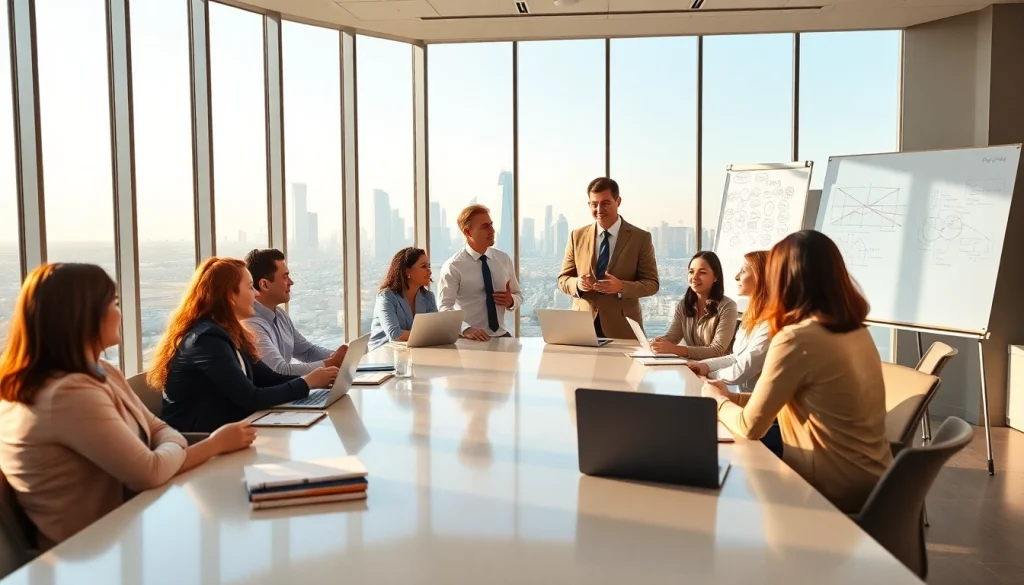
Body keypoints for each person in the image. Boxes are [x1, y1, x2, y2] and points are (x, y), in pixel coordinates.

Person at [0, 263, 256, 549]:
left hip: (128, 527)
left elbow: (159, 428)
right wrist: (214, 444)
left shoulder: (103, 371)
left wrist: (166, 446)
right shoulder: (66, 394)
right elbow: (149, 471)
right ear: (84, 315)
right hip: (92, 551)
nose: (119, 313)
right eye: (115, 303)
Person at [702, 230, 892, 513]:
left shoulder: (796, 338)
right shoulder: (855, 330)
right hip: (877, 484)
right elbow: (805, 398)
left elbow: (750, 428)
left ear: (782, 280)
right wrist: (732, 397)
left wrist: (718, 402)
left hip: (827, 491)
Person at [148, 258, 337, 433]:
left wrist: (316, 379)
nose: (256, 294)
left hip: (228, 432)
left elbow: (271, 378)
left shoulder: (232, 333)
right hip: (199, 442)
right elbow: (251, 398)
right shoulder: (206, 338)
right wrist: (308, 382)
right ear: (230, 295)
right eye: (249, 287)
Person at [557, 177, 659, 339]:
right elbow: (563, 280)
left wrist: (621, 287)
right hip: (582, 327)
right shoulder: (577, 236)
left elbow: (652, 284)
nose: (599, 209)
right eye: (594, 204)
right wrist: (578, 283)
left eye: (605, 203)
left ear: (618, 201)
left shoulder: (640, 238)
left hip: (623, 328)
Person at [244, 248, 348, 375]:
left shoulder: (280, 315)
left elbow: (307, 351)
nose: (291, 282)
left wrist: (337, 356)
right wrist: (331, 363)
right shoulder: (251, 324)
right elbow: (279, 371)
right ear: (264, 285)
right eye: (285, 277)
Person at [688, 251, 770, 390]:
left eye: (743, 271)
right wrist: (703, 366)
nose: (736, 277)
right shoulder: (751, 316)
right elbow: (735, 357)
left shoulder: (772, 323)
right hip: (744, 398)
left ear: (761, 277)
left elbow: (742, 370)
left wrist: (708, 375)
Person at [438, 204, 523, 340]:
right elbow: (444, 308)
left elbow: (518, 295)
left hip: (502, 336)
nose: (492, 230)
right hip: (470, 340)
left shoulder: (503, 259)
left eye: (491, 224)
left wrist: (511, 301)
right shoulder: (453, 266)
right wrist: (465, 329)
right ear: (467, 232)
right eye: (485, 226)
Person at [651, 251, 737, 359]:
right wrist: (658, 343)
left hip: (715, 370)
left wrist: (675, 349)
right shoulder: (684, 304)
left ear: (716, 277)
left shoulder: (728, 306)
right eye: (691, 272)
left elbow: (717, 350)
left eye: (702, 272)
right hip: (690, 366)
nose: (695, 277)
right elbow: (673, 337)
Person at [370, 247, 439, 350]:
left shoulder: (428, 297)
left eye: (429, 266)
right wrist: (430, 337)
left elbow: (436, 331)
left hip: (412, 352)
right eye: (424, 266)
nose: (429, 271)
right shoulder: (386, 297)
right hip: (382, 356)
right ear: (407, 271)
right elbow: (395, 334)